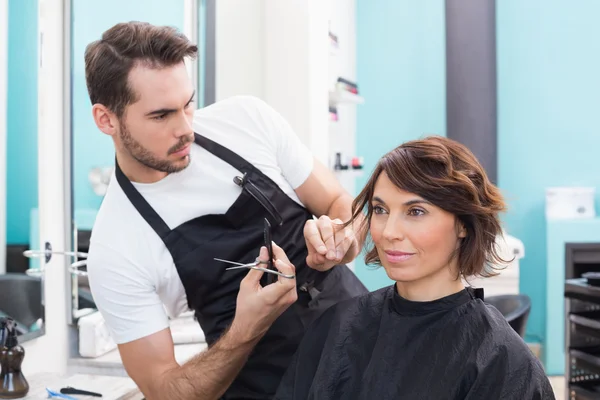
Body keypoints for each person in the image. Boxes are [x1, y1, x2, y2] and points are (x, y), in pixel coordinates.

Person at [83, 21, 368, 400]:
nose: (186, 128)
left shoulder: (247, 121)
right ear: (107, 120)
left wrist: (343, 239)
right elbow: (165, 391)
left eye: (188, 104)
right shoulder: (116, 247)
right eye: (161, 115)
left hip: (369, 356)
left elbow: (340, 204)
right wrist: (246, 328)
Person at [274, 136, 556, 400]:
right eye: (381, 210)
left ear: (463, 224)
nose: (389, 232)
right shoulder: (335, 326)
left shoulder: (502, 360)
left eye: (416, 212)